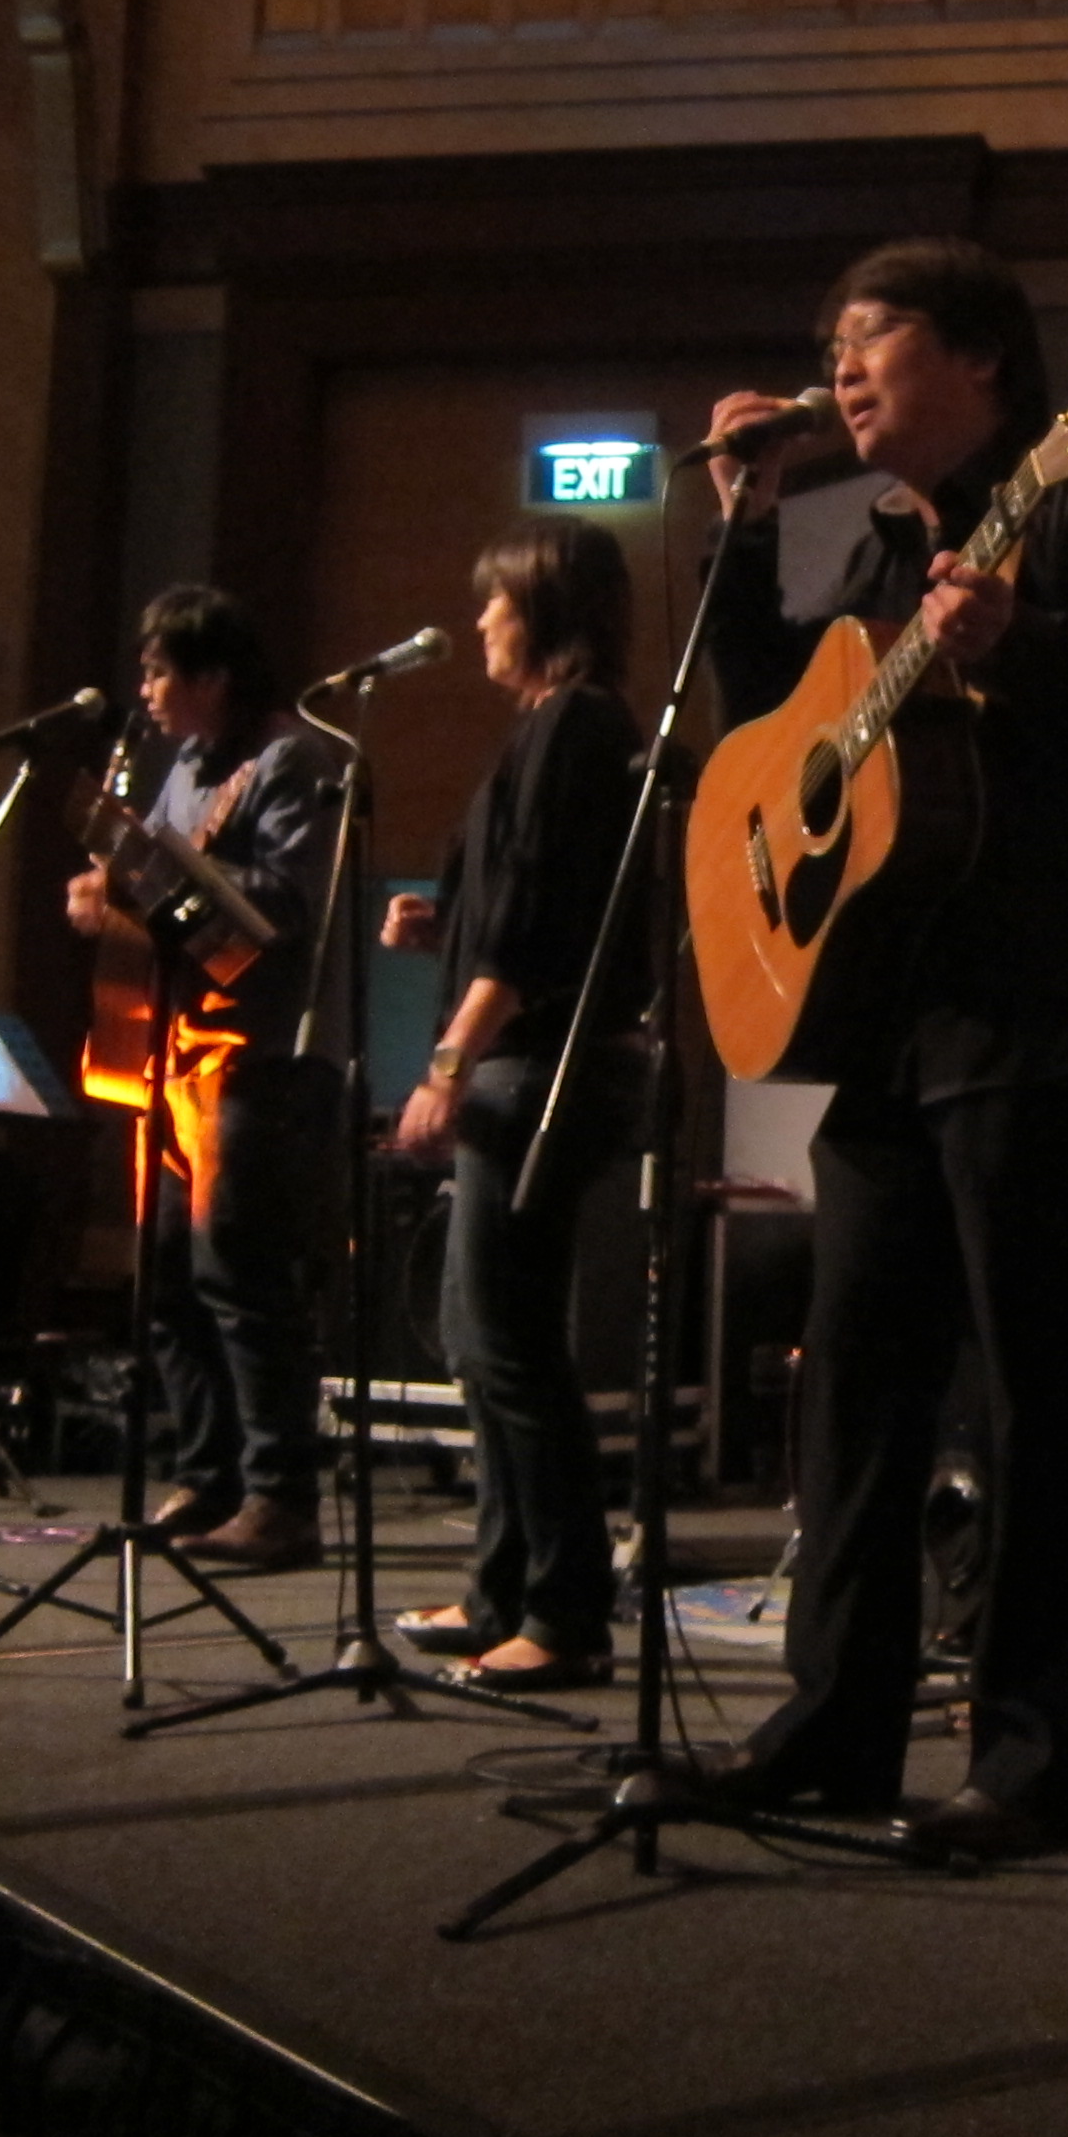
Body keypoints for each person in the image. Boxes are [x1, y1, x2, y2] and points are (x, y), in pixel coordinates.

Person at [690, 237, 1068, 1858]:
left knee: (1036, 1393)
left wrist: (1017, 642)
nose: (841, 373)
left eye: (873, 339)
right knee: (854, 1386)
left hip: (1045, 1011)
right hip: (896, 1021)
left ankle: (1039, 1757)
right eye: (831, 351)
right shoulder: (884, 543)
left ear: (981, 357)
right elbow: (777, 724)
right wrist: (743, 528)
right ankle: (834, 1728)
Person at [382, 523, 647, 1693]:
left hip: (540, 1069)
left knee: (513, 1344)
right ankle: (501, 1589)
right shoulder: (547, 729)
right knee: (480, 1343)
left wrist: (446, 1064)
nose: (480, 620)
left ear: (541, 608)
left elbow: (542, 931)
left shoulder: (578, 727)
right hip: (525, 1059)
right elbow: (525, 912)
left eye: (494, 601)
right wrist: (443, 927)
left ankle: (566, 1611)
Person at [64, 585, 339, 1570]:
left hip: (252, 1055)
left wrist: (143, 881)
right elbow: (159, 888)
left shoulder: (291, 759)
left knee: (241, 1276)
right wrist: (111, 891)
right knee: (169, 1274)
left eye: (158, 672)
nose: (144, 690)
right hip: (173, 1053)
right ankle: (207, 1472)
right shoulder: (184, 765)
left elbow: (285, 908)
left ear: (214, 676)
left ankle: (280, 1495)